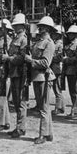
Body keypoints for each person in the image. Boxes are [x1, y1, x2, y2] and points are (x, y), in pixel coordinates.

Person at [25, 16, 56, 144]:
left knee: (43, 107)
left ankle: (43, 135)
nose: (40, 29)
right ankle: (49, 134)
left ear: (48, 29)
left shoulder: (49, 44)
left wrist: (31, 61)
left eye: (42, 27)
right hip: (37, 77)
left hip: (44, 77)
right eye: (40, 27)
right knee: (44, 107)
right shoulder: (38, 42)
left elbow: (45, 63)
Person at [5, 13, 28, 139]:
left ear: (22, 26)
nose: (14, 27)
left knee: (21, 102)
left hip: (20, 73)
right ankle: (19, 126)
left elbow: (22, 57)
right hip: (13, 72)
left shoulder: (24, 39)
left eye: (17, 25)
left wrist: (9, 58)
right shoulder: (15, 39)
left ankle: (21, 128)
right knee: (16, 101)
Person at [62, 24, 77, 118]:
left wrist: (67, 59)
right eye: (69, 34)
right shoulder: (68, 44)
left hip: (75, 69)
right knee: (72, 91)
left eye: (71, 34)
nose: (69, 35)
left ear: (75, 34)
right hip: (68, 70)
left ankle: (74, 111)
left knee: (74, 91)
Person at [50, 24, 66, 115]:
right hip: (54, 67)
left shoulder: (60, 44)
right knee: (56, 88)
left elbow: (59, 57)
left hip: (57, 68)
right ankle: (61, 106)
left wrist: (50, 58)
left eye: (55, 33)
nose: (53, 34)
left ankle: (59, 108)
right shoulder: (55, 43)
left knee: (57, 88)